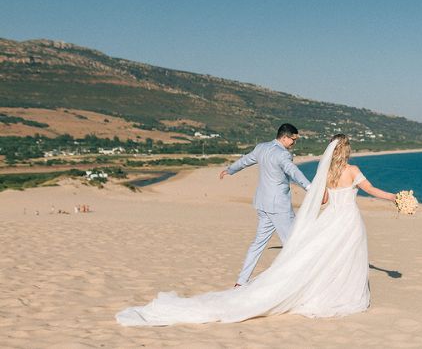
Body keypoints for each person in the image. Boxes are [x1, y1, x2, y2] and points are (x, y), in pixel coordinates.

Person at [116, 134, 399, 326]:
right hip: (346, 220)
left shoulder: (326, 173)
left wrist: (230, 169)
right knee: (345, 257)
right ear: (346, 152)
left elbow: (322, 198)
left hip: (326, 218)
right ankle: (340, 295)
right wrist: (396, 198)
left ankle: (247, 279)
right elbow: (371, 190)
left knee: (311, 254)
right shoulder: (353, 169)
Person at [218, 123, 312, 287]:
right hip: (278, 206)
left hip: (262, 203)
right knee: (293, 242)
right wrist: (310, 187)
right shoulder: (283, 155)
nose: (294, 143)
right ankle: (295, 282)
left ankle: (241, 281)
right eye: (293, 140)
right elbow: (293, 171)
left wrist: (230, 169)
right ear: (284, 137)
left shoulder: (261, 148)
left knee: (258, 244)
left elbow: (245, 160)